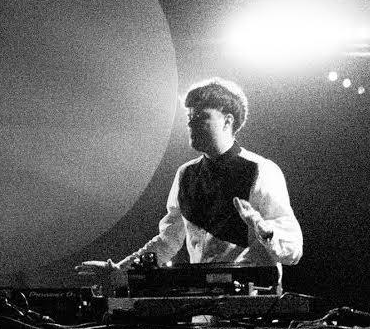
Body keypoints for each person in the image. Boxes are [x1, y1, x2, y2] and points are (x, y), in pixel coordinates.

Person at [76, 77, 303, 284]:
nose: (191, 123)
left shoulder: (261, 170)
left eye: (201, 116)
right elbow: (167, 241)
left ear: (227, 121)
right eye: (189, 117)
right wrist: (120, 271)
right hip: (203, 297)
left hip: (253, 301)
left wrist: (264, 229)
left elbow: (293, 251)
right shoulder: (185, 173)